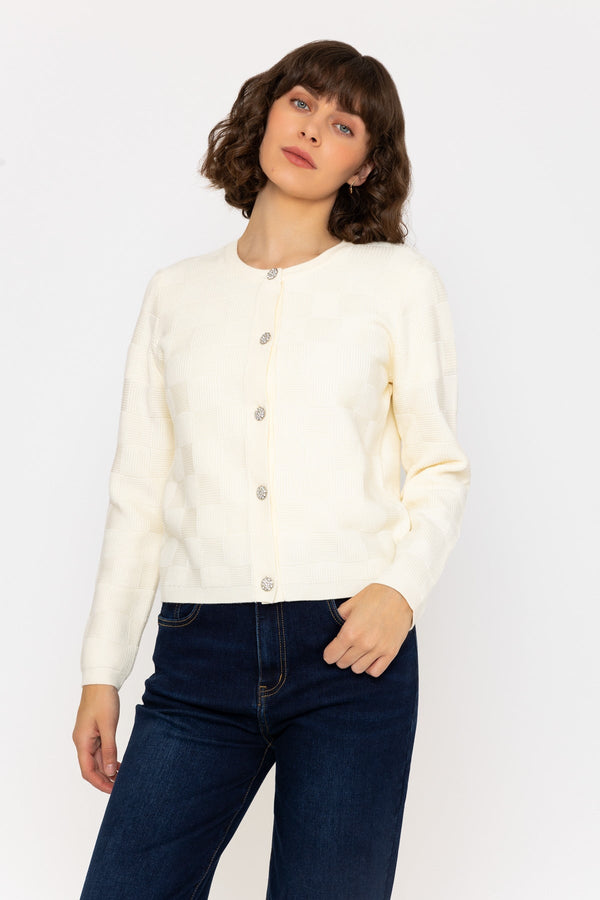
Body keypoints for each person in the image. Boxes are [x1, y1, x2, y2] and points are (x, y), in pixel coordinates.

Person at [73, 38, 471, 900]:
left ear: (366, 167)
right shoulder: (175, 293)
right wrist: (102, 670)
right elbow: (139, 495)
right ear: (265, 114)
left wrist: (400, 589)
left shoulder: (398, 283)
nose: (313, 129)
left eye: (345, 124)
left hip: (351, 652)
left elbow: (439, 465)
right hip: (198, 655)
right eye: (301, 103)